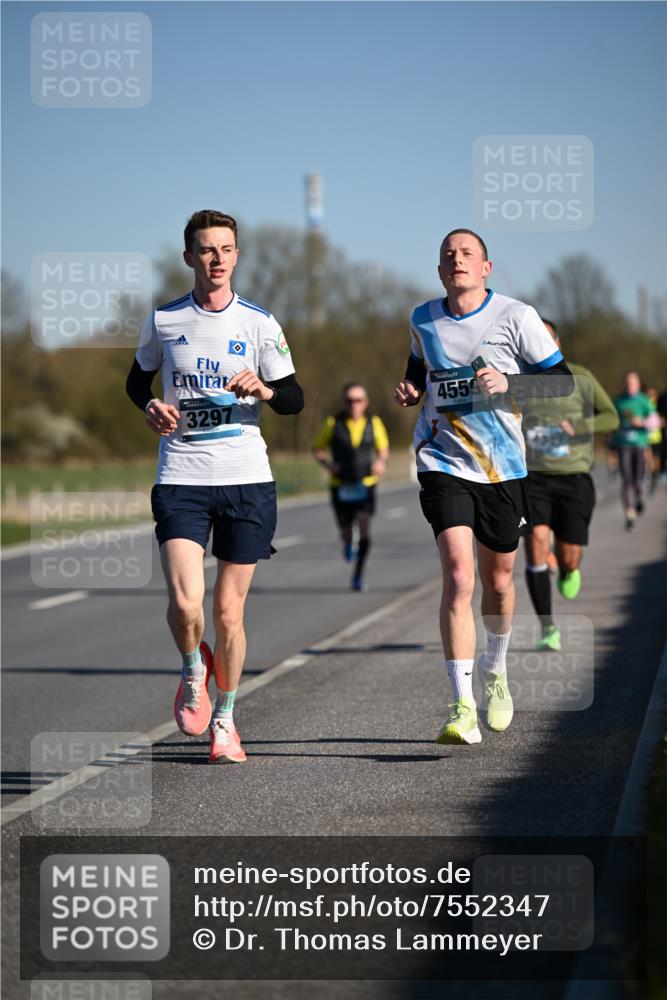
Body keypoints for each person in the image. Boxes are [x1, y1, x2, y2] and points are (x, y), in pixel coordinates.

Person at [126, 210, 304, 764]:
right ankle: (192, 669)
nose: (218, 258)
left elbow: (295, 397)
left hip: (246, 478)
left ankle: (225, 721)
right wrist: (152, 406)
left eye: (226, 249)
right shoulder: (163, 319)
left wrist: (268, 392)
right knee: (185, 603)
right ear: (189, 258)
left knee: (228, 614)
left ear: (237, 256)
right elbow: (136, 382)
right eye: (207, 250)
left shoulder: (259, 323)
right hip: (181, 474)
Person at [394, 228, 573, 746]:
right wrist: (408, 390)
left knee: (498, 584)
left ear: (486, 267)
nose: (457, 261)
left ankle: (495, 670)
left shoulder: (518, 317)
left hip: (502, 469)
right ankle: (461, 705)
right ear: (440, 270)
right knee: (459, 577)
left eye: (467, 254)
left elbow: (562, 383)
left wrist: (510, 383)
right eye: (448, 255)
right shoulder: (423, 318)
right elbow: (417, 372)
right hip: (441, 461)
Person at [522, 320, 619, 651]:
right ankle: (547, 627)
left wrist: (578, 426)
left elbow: (611, 417)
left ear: (557, 344)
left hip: (573, 477)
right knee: (535, 542)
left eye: (545, 341)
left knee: (570, 557)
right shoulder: (521, 380)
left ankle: (565, 569)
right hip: (532, 477)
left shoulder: (580, 376)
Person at [312, 384, 389, 591]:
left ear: (365, 403)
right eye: (349, 401)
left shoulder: (374, 423)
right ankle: (347, 540)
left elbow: (383, 449)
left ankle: (358, 575)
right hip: (340, 485)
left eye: (358, 400)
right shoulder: (333, 423)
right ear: (344, 403)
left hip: (366, 483)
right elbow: (317, 449)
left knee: (364, 525)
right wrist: (328, 465)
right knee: (346, 530)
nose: (354, 405)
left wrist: (381, 462)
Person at [612, 371, 652, 530]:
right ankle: (630, 513)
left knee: (638, 478)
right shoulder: (618, 401)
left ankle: (640, 493)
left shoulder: (644, 401)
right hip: (623, 445)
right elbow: (612, 418)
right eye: (627, 382)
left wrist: (641, 422)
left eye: (633, 382)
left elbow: (654, 420)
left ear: (638, 384)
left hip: (640, 444)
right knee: (626, 478)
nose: (630, 385)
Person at [645, 387, 663, 493]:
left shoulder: (658, 405)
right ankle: (649, 477)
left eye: (652, 394)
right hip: (646, 437)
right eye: (648, 394)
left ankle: (654, 476)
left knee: (656, 461)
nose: (650, 396)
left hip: (656, 437)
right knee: (648, 460)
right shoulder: (643, 404)